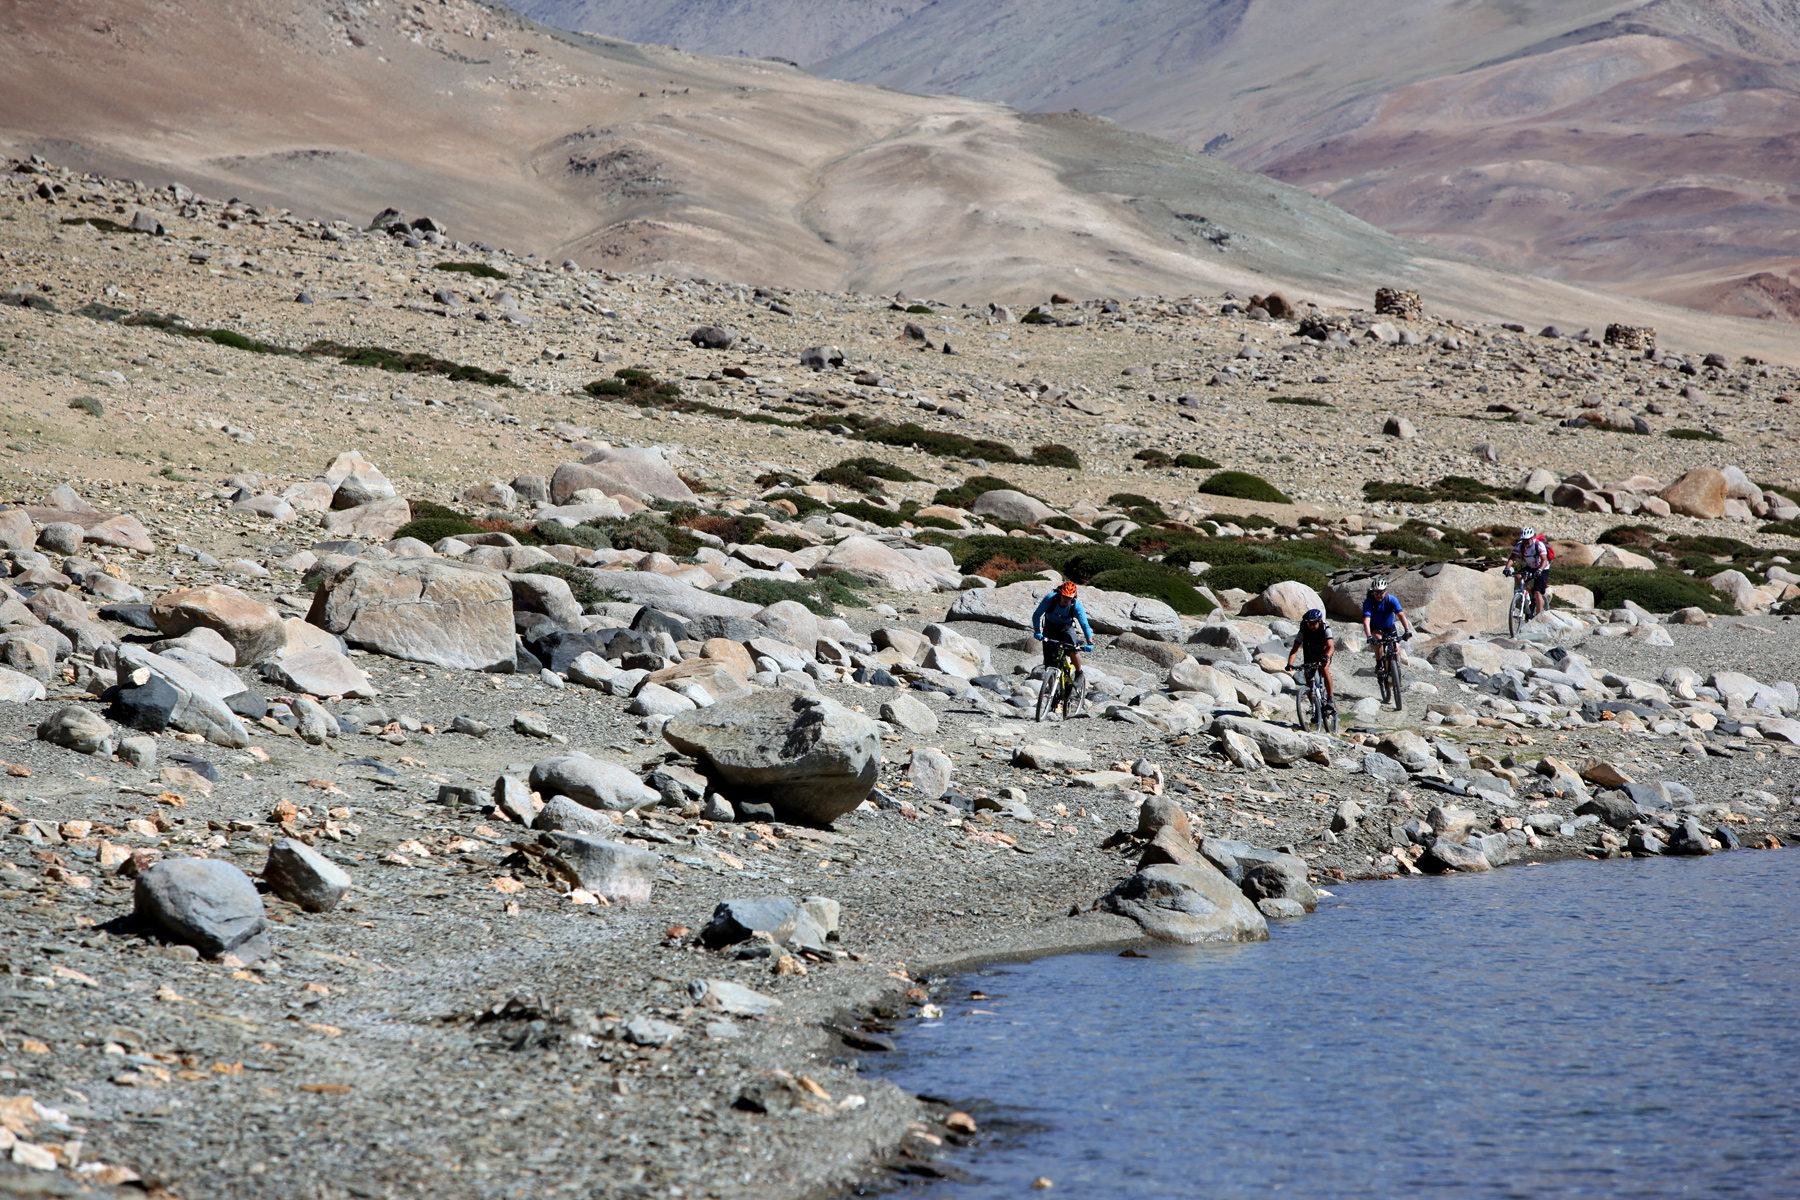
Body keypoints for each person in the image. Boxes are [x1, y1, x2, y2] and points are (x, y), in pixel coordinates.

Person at [1033, 580, 1094, 675]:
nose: (1066, 600)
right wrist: (1037, 631)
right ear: (1060, 594)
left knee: (1073, 649)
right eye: (1064, 596)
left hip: (1066, 629)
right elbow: (1036, 615)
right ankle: (1050, 688)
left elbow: (1085, 625)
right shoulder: (1050, 599)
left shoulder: (1076, 606)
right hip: (1049, 628)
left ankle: (1079, 673)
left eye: (1069, 598)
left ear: (1073, 597)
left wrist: (1090, 642)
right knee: (1049, 663)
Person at [1286, 608, 1336, 708]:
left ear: (1320, 621)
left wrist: (1326, 657)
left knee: (1324, 668)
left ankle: (1330, 698)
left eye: (1314, 623)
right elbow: (1294, 650)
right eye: (1309, 623)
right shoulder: (1303, 631)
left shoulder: (1325, 628)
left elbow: (1331, 647)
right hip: (1310, 654)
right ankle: (1315, 708)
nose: (1311, 626)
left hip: (1324, 653)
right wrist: (1289, 664)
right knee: (1309, 680)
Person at [1504, 525, 1555, 619]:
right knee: (1518, 576)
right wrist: (1507, 568)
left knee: (1537, 592)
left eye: (1527, 539)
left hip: (1542, 568)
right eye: (1523, 539)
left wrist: (1539, 570)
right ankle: (1523, 594)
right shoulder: (1520, 545)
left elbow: (1544, 559)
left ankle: (1539, 618)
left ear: (1531, 538)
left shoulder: (1538, 544)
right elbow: (1513, 557)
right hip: (1530, 567)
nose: (1525, 541)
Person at [1361, 577, 1414, 645]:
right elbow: (1366, 620)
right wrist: (1369, 636)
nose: (1379, 595)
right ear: (1373, 592)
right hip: (1375, 627)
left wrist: (1407, 630)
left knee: (1396, 646)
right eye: (1376, 593)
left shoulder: (1392, 600)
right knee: (1378, 639)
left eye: (1381, 592)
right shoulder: (1368, 602)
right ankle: (1379, 656)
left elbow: (1401, 615)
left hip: (1389, 626)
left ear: (1385, 590)